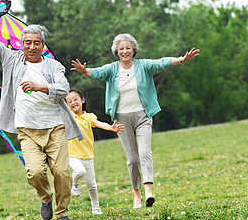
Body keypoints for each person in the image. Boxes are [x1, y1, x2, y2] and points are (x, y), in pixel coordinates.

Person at [0, 0, 84, 220]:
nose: (31, 47)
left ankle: (62, 212)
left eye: (36, 43)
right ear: (21, 44)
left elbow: (63, 89)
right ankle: (46, 197)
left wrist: (40, 87)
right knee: (35, 172)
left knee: (62, 173)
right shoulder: (12, 59)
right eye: (27, 43)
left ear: (43, 45)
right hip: (27, 129)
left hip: (54, 127)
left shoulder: (54, 66)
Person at [71, 33, 200, 209]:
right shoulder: (112, 69)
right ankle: (137, 195)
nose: (125, 51)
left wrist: (182, 59)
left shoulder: (143, 66)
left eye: (128, 48)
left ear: (134, 50)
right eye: (121, 48)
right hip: (121, 119)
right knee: (132, 159)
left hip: (142, 116)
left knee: (145, 152)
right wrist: (84, 71)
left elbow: (161, 63)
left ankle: (149, 192)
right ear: (116, 51)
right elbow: (97, 73)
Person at [65, 89, 125, 215]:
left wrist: (111, 128)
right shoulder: (68, 118)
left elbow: (99, 124)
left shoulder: (89, 117)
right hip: (72, 155)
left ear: (82, 100)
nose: (73, 103)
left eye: (75, 99)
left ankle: (96, 208)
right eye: (69, 101)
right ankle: (74, 182)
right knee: (80, 171)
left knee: (91, 185)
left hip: (88, 156)